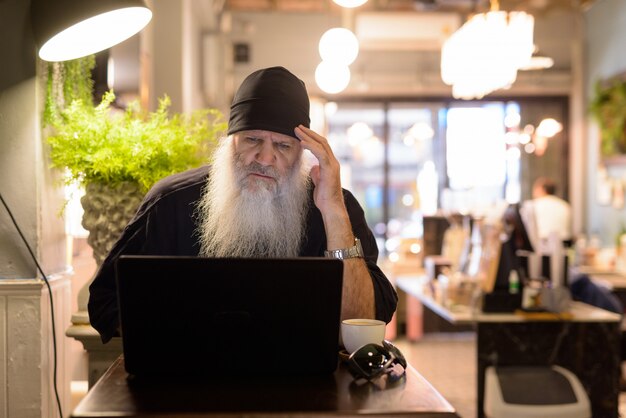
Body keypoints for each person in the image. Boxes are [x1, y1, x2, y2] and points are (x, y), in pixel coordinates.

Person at [88, 66, 398, 343]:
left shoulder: (335, 207)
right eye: (252, 140)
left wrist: (332, 210)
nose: (265, 158)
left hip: (309, 392)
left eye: (282, 145)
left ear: (302, 152)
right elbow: (106, 303)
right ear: (231, 139)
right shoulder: (169, 204)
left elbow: (368, 318)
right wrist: (181, 334)